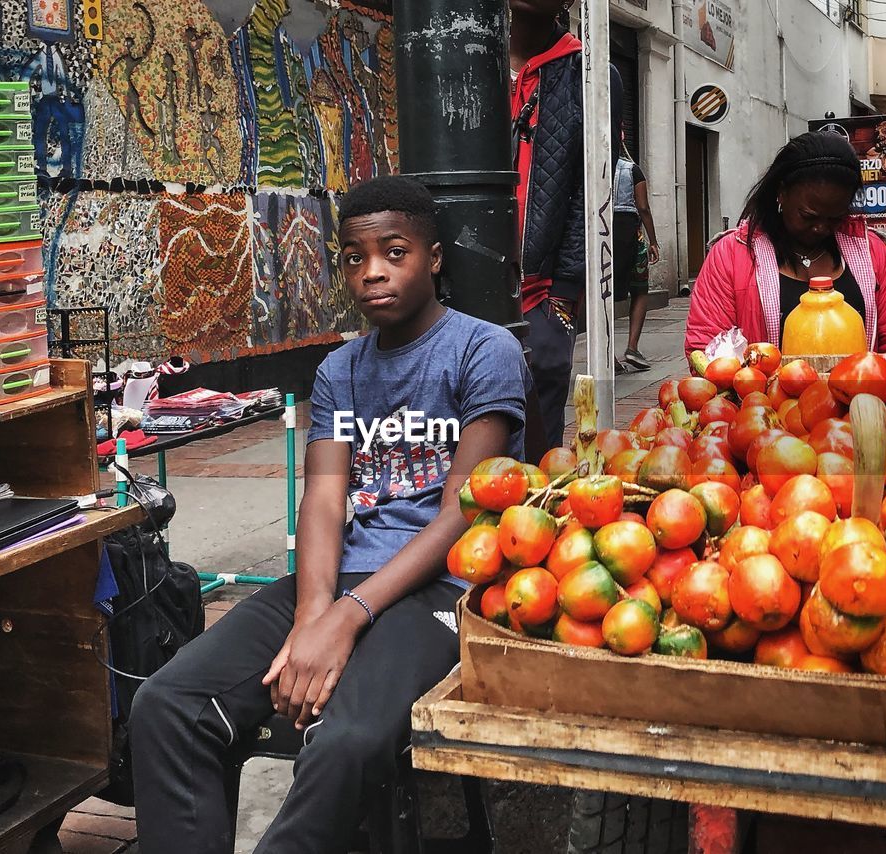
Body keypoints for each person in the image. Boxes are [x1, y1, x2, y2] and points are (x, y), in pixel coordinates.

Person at [130, 176, 533, 854]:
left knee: (349, 740)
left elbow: (467, 508)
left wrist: (349, 618)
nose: (372, 271)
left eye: (394, 252)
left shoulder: (482, 350)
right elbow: (323, 495)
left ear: (433, 258)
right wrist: (315, 617)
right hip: (344, 576)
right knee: (168, 708)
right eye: (354, 256)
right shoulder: (341, 370)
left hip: (445, 587)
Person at [683, 131, 886, 366]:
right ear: (781, 192)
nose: (821, 228)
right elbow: (708, 349)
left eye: (835, 217)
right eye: (808, 216)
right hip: (761, 402)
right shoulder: (731, 256)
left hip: (859, 400)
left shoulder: (871, 252)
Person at [511, 0, 623, 448]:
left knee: (535, 454)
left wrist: (562, 299)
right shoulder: (464, 57)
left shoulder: (591, 74)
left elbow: (592, 193)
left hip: (543, 296)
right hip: (459, 292)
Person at [612, 147, 660, 372]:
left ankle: (608, 353)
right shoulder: (632, 170)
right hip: (630, 233)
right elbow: (643, 207)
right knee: (640, 289)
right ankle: (632, 347)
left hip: (602, 234)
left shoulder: (592, 164)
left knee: (606, 293)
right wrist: (653, 241)